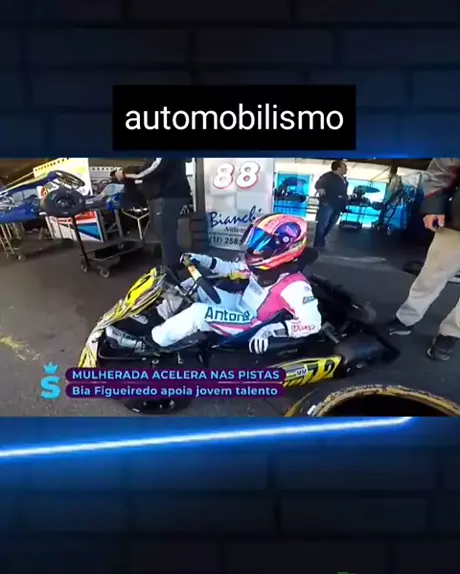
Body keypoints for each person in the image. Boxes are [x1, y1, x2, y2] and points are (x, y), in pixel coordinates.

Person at [106, 214, 323, 354]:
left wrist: (271, 331)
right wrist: (199, 259)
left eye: (262, 245)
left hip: (251, 323)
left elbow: (313, 323)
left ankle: (149, 343)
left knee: (199, 312)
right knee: (192, 284)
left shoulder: (295, 286)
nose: (254, 250)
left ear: (285, 248)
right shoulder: (263, 266)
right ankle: (156, 317)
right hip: (238, 304)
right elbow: (230, 269)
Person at [385, 158, 460, 361]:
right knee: (432, 274)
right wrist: (434, 205)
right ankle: (406, 318)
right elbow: (443, 166)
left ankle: (452, 333)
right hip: (457, 222)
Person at [115, 159, 191, 266]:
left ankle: (171, 270)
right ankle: (177, 259)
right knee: (164, 232)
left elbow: (153, 166)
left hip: (166, 194)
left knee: (165, 233)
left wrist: (125, 172)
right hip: (168, 193)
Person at [313, 160, 349, 249]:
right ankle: (318, 243)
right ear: (338, 168)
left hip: (338, 205)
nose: (346, 169)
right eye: (344, 167)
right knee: (323, 223)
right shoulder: (328, 176)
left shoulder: (343, 179)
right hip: (328, 203)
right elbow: (318, 183)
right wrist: (320, 188)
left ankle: (321, 238)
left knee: (332, 223)